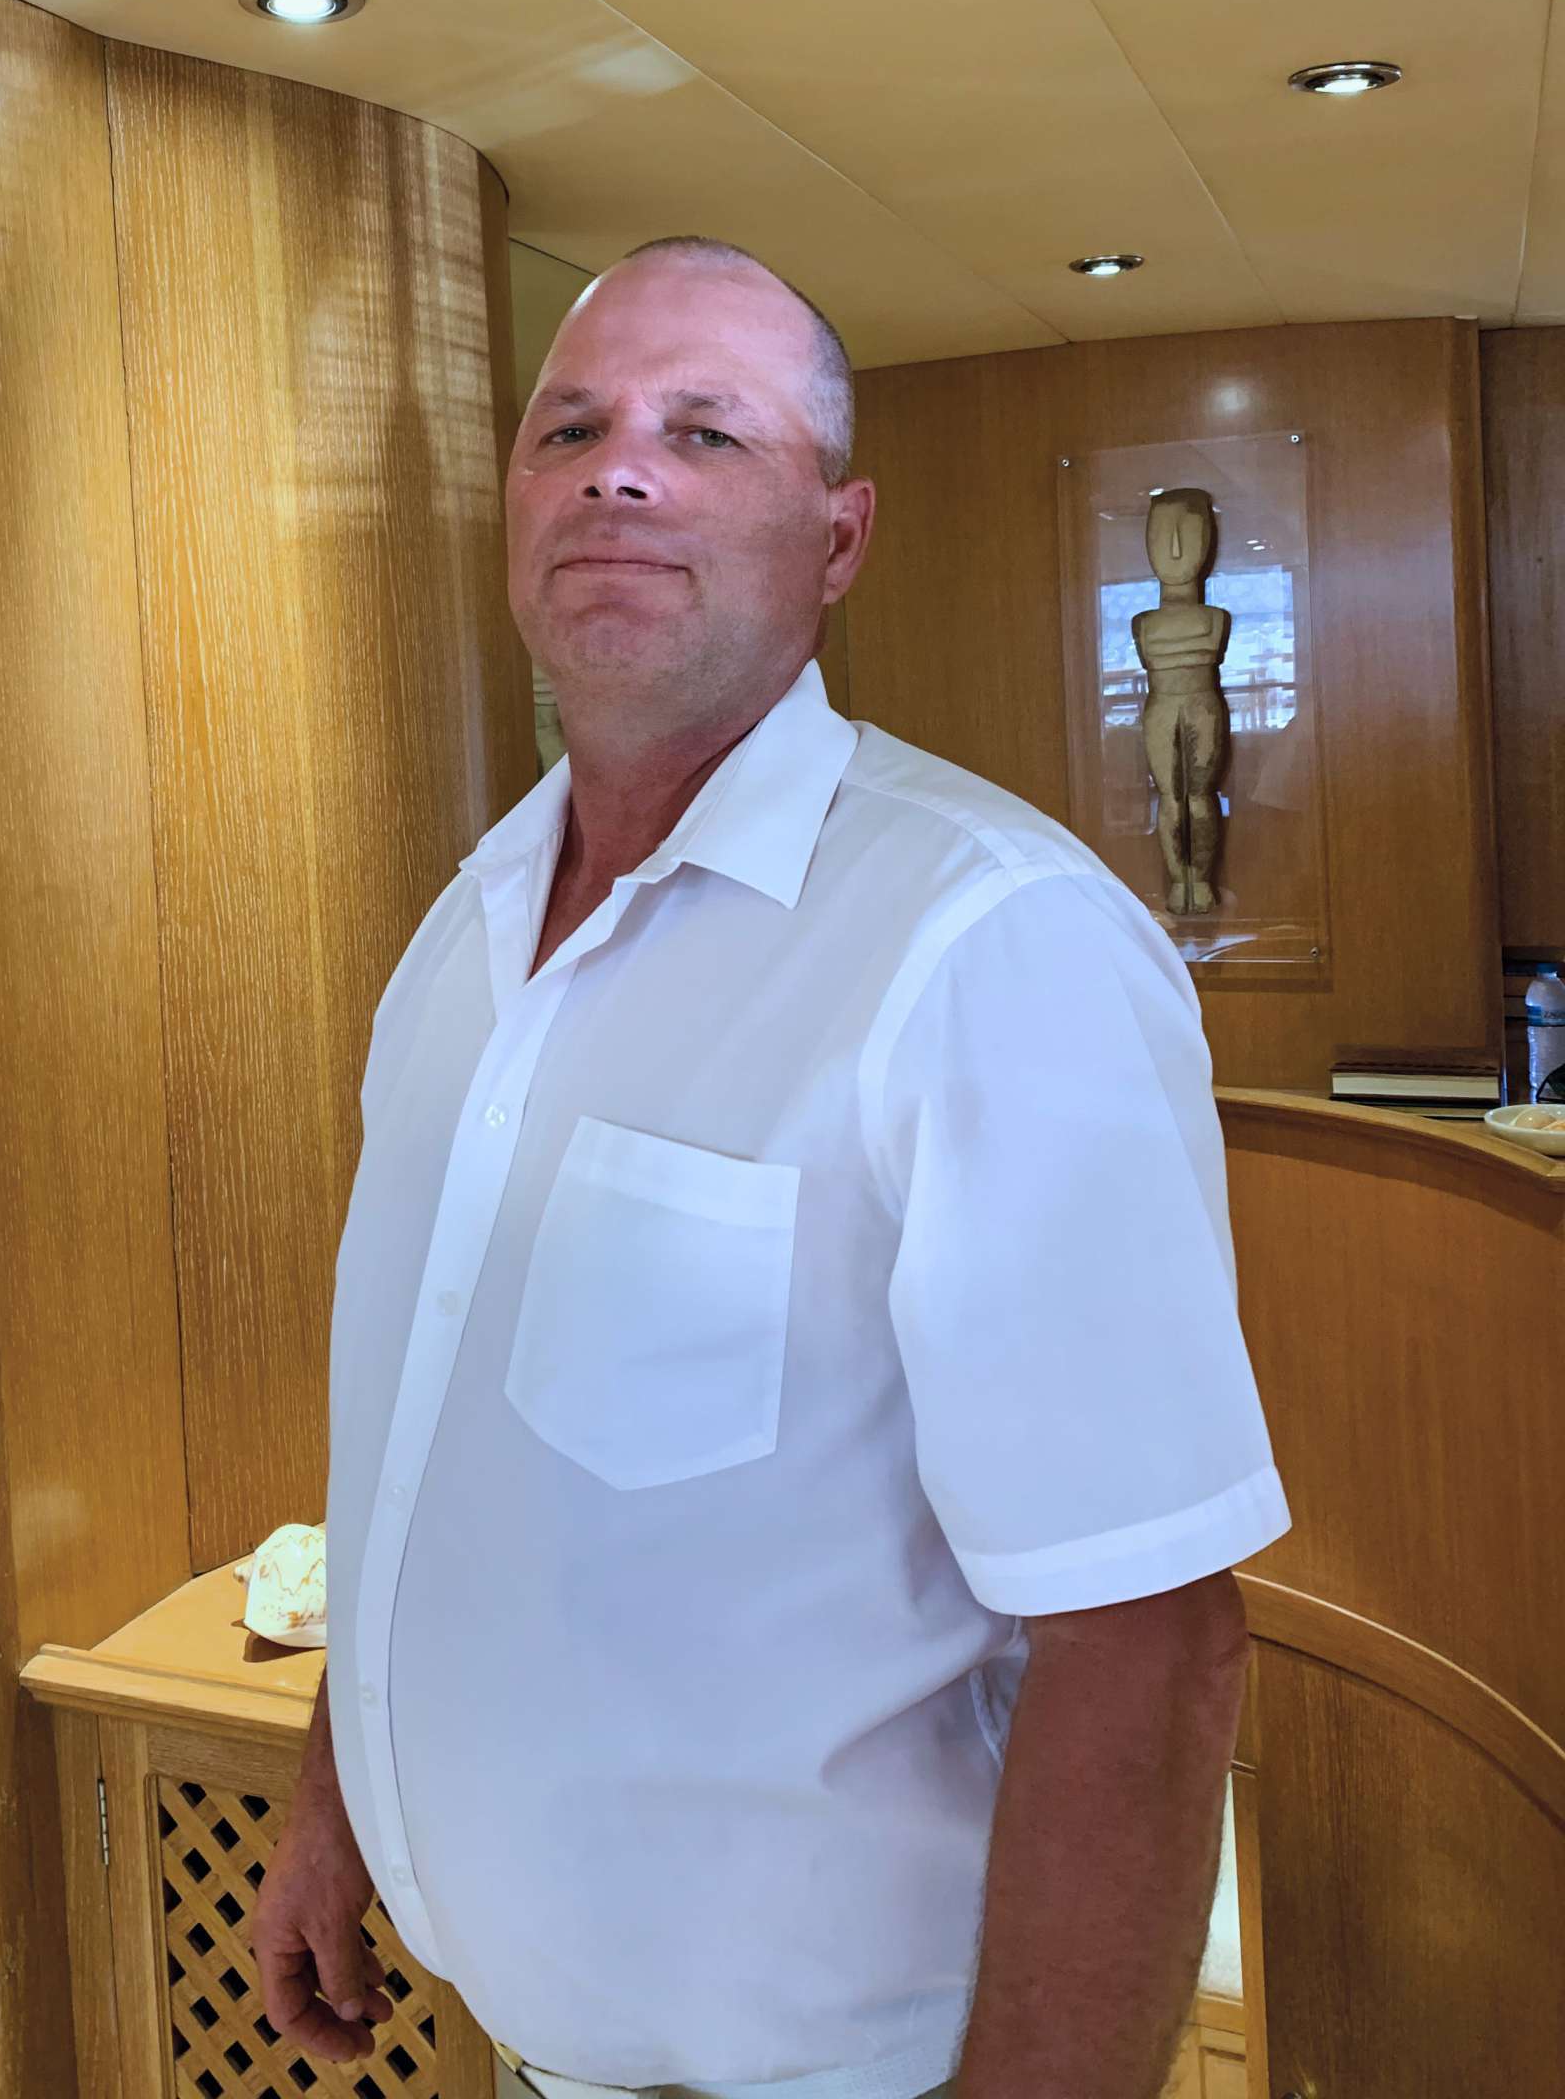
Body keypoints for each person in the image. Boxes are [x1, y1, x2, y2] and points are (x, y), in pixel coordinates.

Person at [252, 236, 1291, 2099]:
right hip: (531, 2050)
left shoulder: (989, 947)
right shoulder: (464, 937)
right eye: (571, 429)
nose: (619, 472)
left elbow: (1148, 1643)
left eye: (707, 432)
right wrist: (347, 1795)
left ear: (838, 536)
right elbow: (427, 1444)